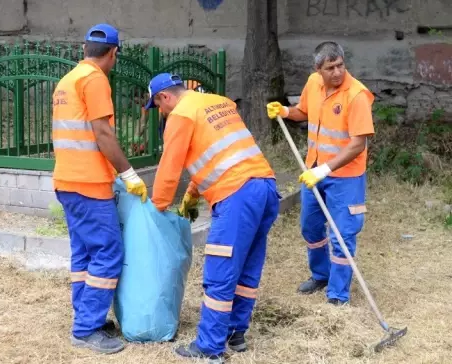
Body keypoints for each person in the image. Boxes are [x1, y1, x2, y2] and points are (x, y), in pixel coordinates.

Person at [146, 73, 280, 361]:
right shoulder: (216, 103)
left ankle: (209, 347)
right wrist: (193, 192)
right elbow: (219, 151)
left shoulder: (179, 115)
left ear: (164, 97)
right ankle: (236, 333)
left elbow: (169, 169)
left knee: (220, 270)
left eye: (158, 105)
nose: (161, 112)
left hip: (237, 195)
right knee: (246, 266)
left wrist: (156, 208)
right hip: (265, 187)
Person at [51, 23, 148, 355]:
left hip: (67, 181)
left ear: (83, 49)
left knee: (84, 254)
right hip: (89, 184)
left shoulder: (68, 80)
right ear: (114, 53)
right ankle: (86, 328)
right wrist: (129, 173)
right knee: (108, 253)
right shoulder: (94, 80)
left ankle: (85, 315)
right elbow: (102, 134)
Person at [266, 41, 375, 306]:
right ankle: (321, 275)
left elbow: (357, 143)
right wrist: (285, 111)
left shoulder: (357, 95)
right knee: (311, 228)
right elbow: (304, 111)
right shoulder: (313, 83)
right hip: (314, 171)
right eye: (330, 68)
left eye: (340, 66)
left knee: (342, 234)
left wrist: (325, 169)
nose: (337, 72)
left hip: (345, 177)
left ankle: (338, 294)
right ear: (318, 69)